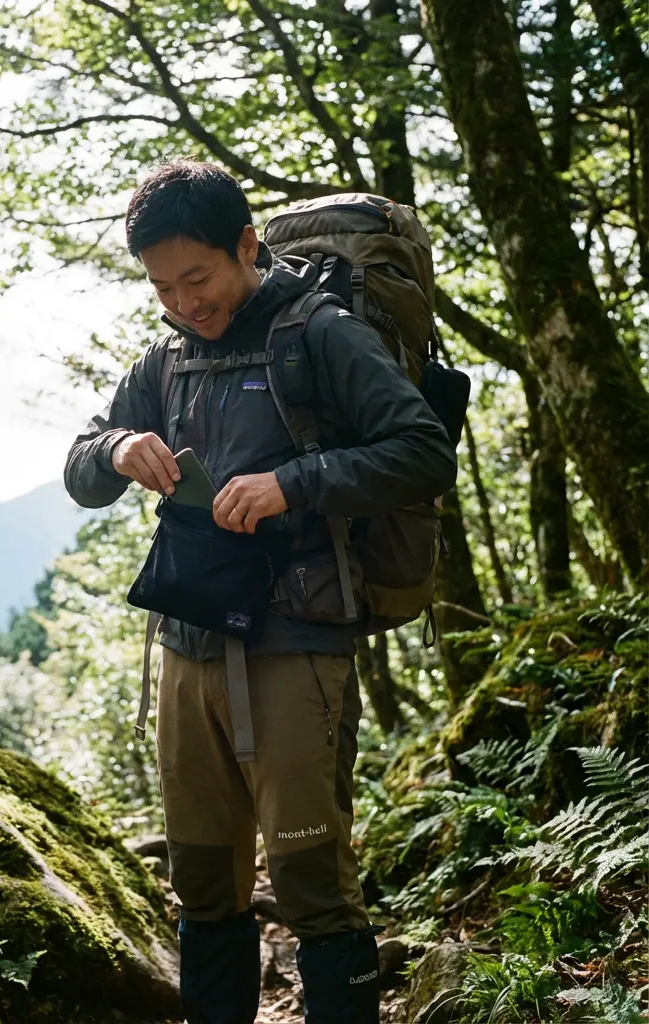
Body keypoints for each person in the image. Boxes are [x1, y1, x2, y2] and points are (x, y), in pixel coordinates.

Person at [63, 161, 458, 1024]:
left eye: (197, 278)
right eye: (162, 287)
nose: (183, 302)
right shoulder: (163, 359)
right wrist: (118, 447)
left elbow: (423, 449)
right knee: (202, 884)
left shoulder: (319, 335)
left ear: (246, 245)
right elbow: (80, 469)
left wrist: (297, 482)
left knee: (314, 880)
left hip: (298, 641)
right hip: (187, 638)